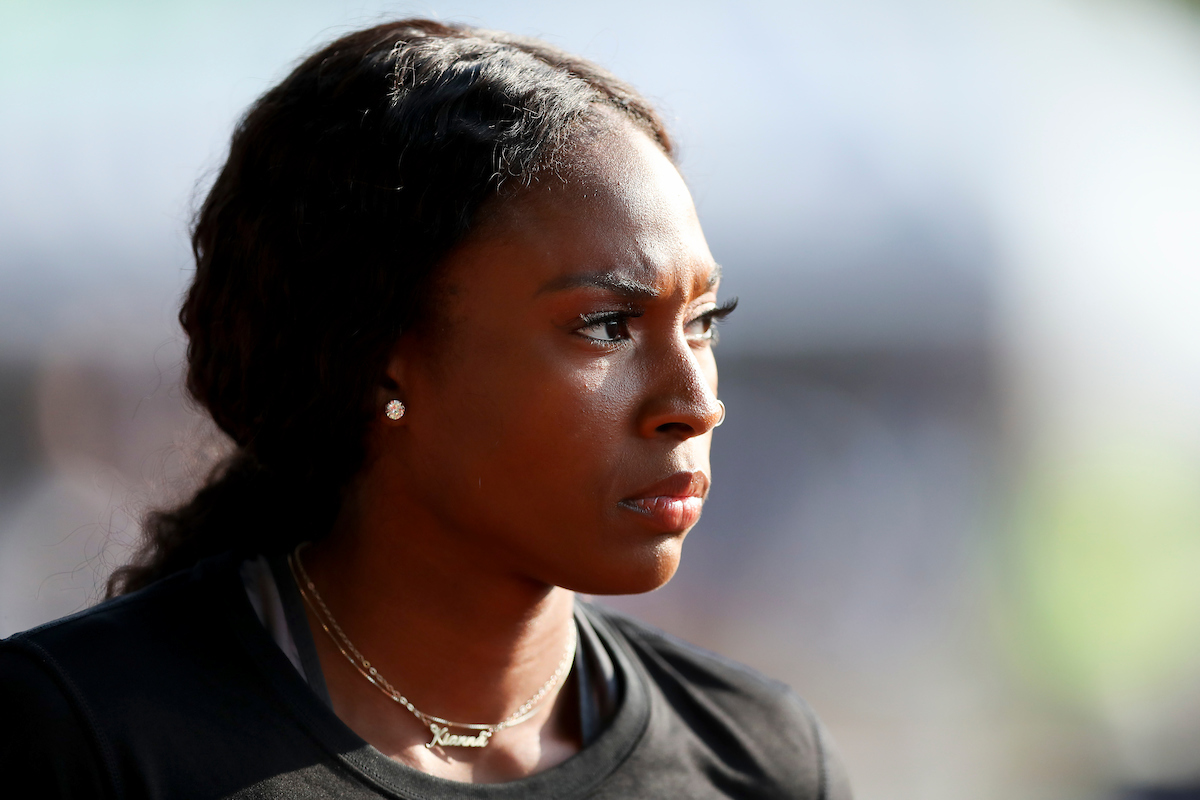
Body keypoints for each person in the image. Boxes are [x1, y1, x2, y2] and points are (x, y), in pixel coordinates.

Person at [0, 19, 852, 799]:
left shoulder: (756, 759)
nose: (697, 404)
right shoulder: (80, 737)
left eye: (703, 323)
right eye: (607, 325)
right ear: (377, 356)